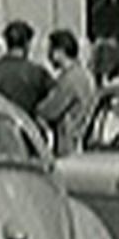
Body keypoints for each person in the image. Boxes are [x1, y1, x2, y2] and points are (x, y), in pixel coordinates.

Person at [0, 18, 51, 116]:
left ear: (7, 43)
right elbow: (53, 102)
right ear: (27, 44)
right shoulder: (38, 74)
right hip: (27, 123)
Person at [39, 27, 96, 156]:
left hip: (68, 144)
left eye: (50, 51)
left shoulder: (70, 79)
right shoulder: (84, 75)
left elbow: (50, 110)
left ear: (59, 52)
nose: (48, 56)